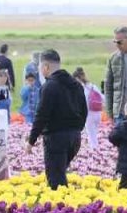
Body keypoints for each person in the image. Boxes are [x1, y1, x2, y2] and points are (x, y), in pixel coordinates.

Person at [25, 50, 87, 190]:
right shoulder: (76, 85)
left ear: (46, 66)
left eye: (40, 67)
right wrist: (76, 129)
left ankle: (62, 210)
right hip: (75, 137)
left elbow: (41, 115)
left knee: (56, 181)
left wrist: (31, 141)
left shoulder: (49, 86)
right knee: (60, 174)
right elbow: (84, 111)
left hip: (56, 138)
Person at [75, 67, 105, 149]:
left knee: (91, 136)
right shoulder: (93, 86)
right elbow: (102, 98)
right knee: (94, 133)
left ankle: (94, 151)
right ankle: (96, 149)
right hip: (98, 113)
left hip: (89, 115)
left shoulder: (81, 89)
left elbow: (82, 103)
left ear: (77, 78)